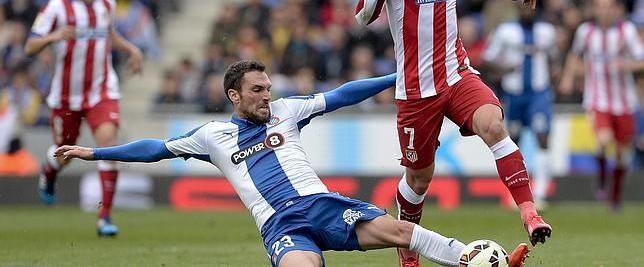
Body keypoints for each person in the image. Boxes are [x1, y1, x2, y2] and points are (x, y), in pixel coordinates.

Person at [55, 60, 530, 267]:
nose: (268, 96)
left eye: (269, 88)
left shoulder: (288, 110)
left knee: (401, 233)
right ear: (234, 96)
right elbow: (155, 148)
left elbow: (342, 95)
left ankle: (472, 259)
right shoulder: (211, 136)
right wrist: (95, 152)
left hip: (321, 204)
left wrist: (399, 74)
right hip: (281, 223)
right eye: (258, 91)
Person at [354, 0, 551, 264]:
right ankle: (408, 254)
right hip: (416, 91)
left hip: (457, 74)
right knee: (418, 180)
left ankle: (529, 213)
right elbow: (364, 15)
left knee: (493, 125)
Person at [25, 0, 144, 236]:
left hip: (101, 90)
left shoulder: (107, 3)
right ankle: (49, 171)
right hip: (66, 96)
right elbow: (30, 46)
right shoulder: (55, 7)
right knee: (64, 153)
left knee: (109, 144)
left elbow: (108, 33)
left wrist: (131, 49)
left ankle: (105, 216)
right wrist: (53, 37)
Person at [559, 0, 644, 211]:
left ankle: (614, 196)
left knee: (622, 155)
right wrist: (568, 77)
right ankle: (603, 182)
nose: (604, 10)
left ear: (615, 9)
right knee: (603, 141)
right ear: (595, 9)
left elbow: (641, 61)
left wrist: (626, 65)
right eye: (600, 6)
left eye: (608, 6)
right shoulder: (585, 32)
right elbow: (574, 55)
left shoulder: (627, 32)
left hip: (624, 102)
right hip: (598, 100)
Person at [482, 5, 557, 210]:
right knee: (512, 142)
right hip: (514, 93)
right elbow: (487, 59)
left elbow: (554, 57)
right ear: (518, 8)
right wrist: (504, 68)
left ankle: (540, 194)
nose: (529, 10)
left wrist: (555, 77)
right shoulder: (505, 31)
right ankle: (516, 196)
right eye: (525, 5)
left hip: (539, 93)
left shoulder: (546, 32)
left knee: (542, 137)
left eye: (533, 6)